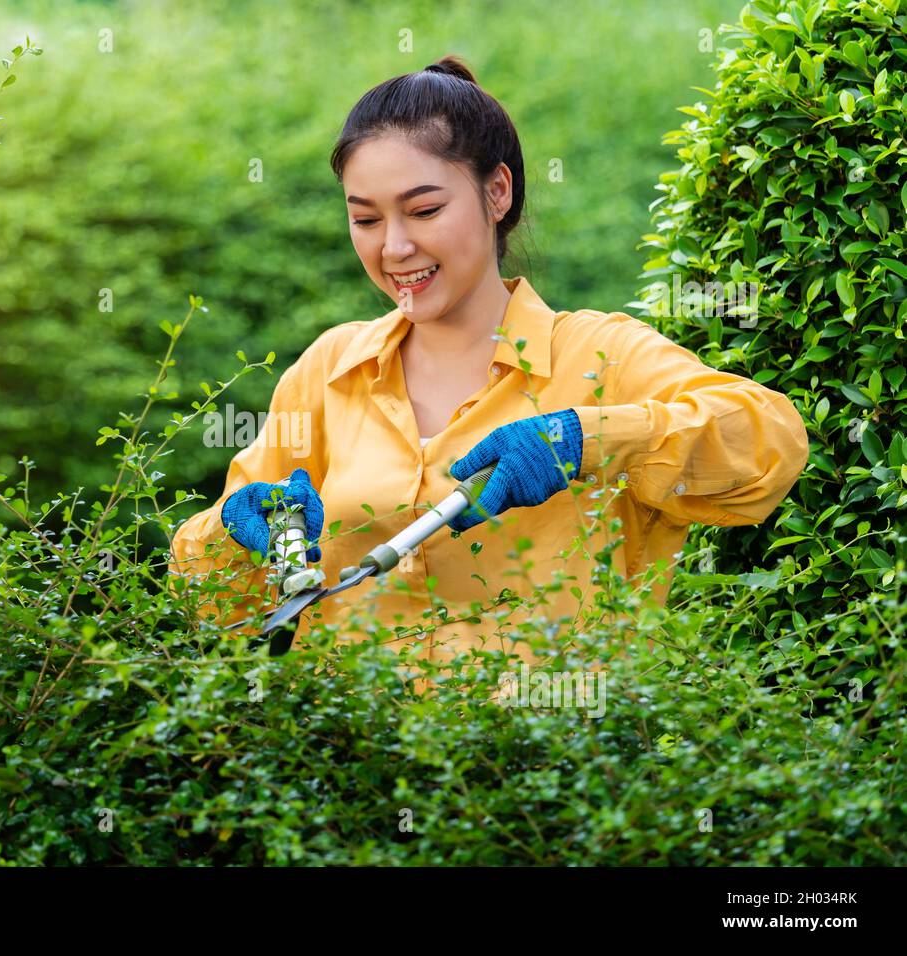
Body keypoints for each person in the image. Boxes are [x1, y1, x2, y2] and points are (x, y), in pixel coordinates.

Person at [168, 55, 808, 682]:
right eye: (365, 218)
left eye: (423, 211)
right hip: (347, 766)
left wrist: (590, 441)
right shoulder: (331, 369)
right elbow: (219, 605)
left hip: (557, 768)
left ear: (496, 191)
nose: (393, 247)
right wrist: (232, 533)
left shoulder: (601, 355)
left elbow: (769, 443)